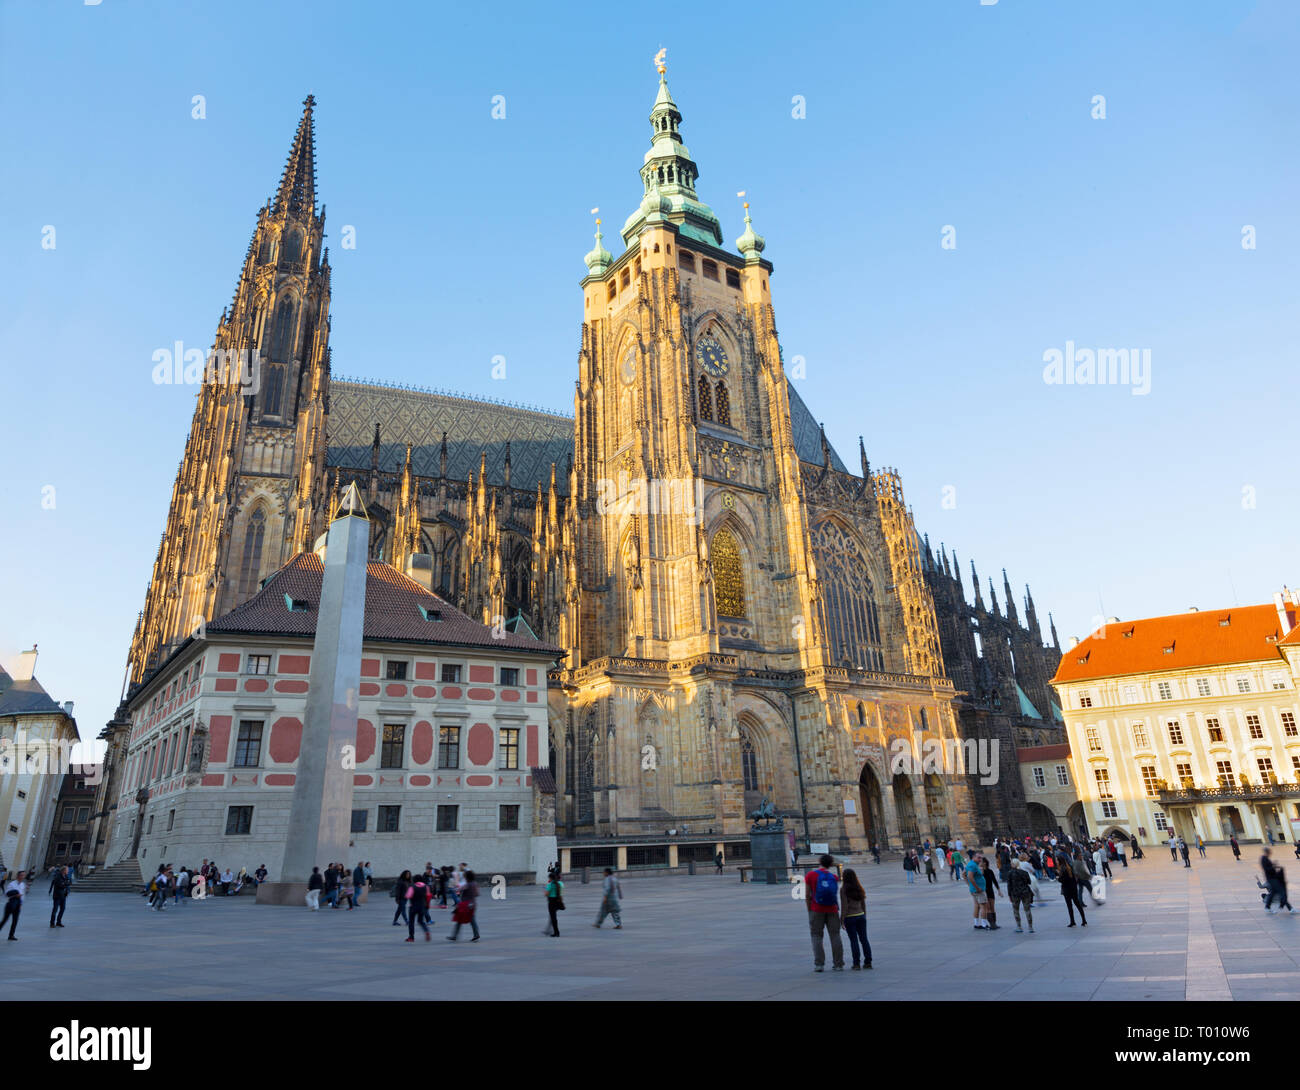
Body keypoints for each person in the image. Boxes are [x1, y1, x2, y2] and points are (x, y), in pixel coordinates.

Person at [805, 854, 844, 971]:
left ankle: (819, 964)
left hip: (816, 909)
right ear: (831, 864)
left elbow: (807, 895)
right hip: (832, 909)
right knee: (835, 935)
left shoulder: (811, 875)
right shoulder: (834, 877)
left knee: (816, 936)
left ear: (819, 862)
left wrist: (809, 909)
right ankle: (838, 964)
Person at [839, 869, 872, 969]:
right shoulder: (859, 887)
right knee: (864, 939)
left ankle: (856, 963)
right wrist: (864, 915)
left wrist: (842, 920)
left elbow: (844, 906)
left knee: (854, 941)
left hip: (850, 917)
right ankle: (868, 962)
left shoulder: (843, 889)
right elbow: (863, 904)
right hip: (861, 915)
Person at [447, 869, 480, 942]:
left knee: (459, 920)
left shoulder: (468, 884)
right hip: (473, 904)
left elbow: (458, 890)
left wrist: (456, 887)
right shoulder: (475, 884)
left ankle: (454, 936)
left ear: (467, 877)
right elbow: (477, 894)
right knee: (472, 920)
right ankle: (476, 934)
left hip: (466, 905)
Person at [1058, 852, 1086, 927]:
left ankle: (1072, 921)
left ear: (1059, 861)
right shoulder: (1069, 866)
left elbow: (1063, 880)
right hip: (1073, 888)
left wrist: (1059, 878)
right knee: (1077, 904)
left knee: (1070, 906)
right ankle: (1084, 920)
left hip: (1067, 889)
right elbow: (1073, 878)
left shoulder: (1062, 869)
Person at [1006, 858, 1034, 933]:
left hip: (1015, 894)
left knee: (1016, 910)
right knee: (1027, 910)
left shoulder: (1010, 873)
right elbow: (1029, 882)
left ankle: (1019, 926)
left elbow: (1009, 885)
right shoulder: (1024, 872)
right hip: (1025, 892)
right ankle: (1030, 927)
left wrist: (1009, 895)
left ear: (1012, 864)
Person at [966, 851, 991, 930]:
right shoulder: (972, 865)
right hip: (979, 890)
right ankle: (984, 924)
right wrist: (977, 887)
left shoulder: (972, 864)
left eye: (981, 858)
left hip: (975, 889)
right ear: (973, 857)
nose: (980, 859)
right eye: (978, 857)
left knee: (977, 906)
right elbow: (970, 876)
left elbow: (964, 874)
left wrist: (969, 885)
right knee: (983, 906)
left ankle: (976, 924)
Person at [405, 872, 431, 942]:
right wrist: (427, 904)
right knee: (421, 921)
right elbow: (428, 895)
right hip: (422, 906)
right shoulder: (426, 886)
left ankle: (411, 937)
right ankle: (426, 931)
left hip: (413, 906)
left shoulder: (412, 887)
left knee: (411, 922)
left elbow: (408, 896)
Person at [2, 870, 27, 940]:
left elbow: (23, 895)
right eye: (21, 875)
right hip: (11, 904)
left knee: (15, 921)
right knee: (5, 919)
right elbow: (7, 894)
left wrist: (21, 903)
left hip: (18, 904)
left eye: (24, 875)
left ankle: (11, 935)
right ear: (18, 876)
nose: (22, 877)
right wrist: (16, 895)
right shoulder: (12, 884)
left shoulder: (23, 884)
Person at [979, 856, 1001, 929]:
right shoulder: (979, 872)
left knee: (993, 908)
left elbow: (994, 881)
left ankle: (994, 923)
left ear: (985, 863)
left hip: (990, 891)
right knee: (988, 908)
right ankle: (992, 925)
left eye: (981, 862)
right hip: (984, 891)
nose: (980, 863)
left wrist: (999, 890)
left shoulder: (990, 871)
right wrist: (981, 870)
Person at [544, 871, 565, 937]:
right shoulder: (561, 884)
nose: (548, 879)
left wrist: (545, 890)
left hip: (552, 902)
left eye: (549, 878)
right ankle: (550, 929)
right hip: (559, 901)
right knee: (553, 917)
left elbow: (546, 894)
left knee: (553, 917)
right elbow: (561, 892)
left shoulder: (550, 885)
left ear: (551, 878)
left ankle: (556, 932)